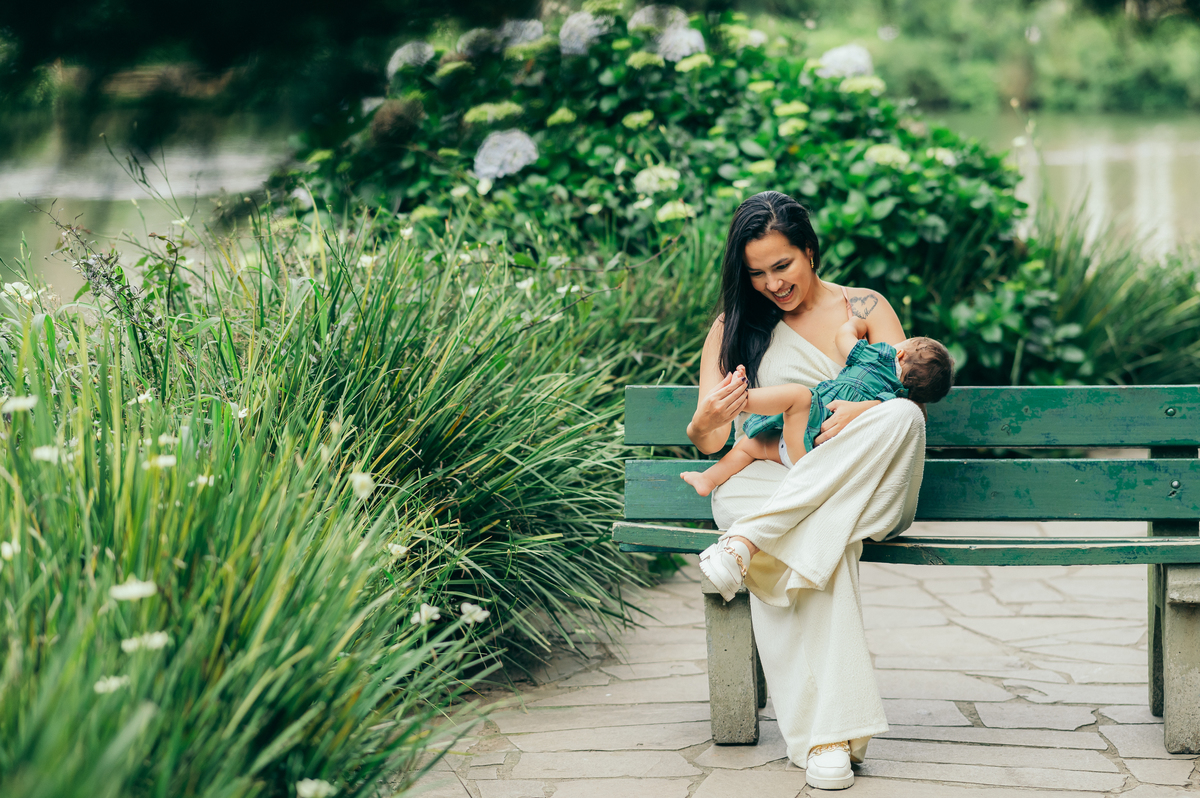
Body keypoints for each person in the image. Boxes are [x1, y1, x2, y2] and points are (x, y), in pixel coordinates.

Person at [685, 191, 928, 791]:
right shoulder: (735, 327)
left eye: (783, 266)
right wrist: (703, 421)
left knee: (905, 419)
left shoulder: (865, 306)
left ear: (811, 252)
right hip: (767, 479)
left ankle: (748, 544)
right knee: (823, 541)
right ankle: (827, 738)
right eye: (757, 273)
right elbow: (708, 441)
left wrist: (864, 409)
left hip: (864, 481)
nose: (772, 284)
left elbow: (904, 396)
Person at [680, 319, 951, 506]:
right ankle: (708, 479)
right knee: (749, 446)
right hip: (813, 455)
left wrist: (856, 324)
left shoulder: (877, 357)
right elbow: (902, 413)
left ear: (900, 354)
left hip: (809, 447)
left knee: (798, 396)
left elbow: (843, 339)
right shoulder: (896, 399)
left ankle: (738, 397)